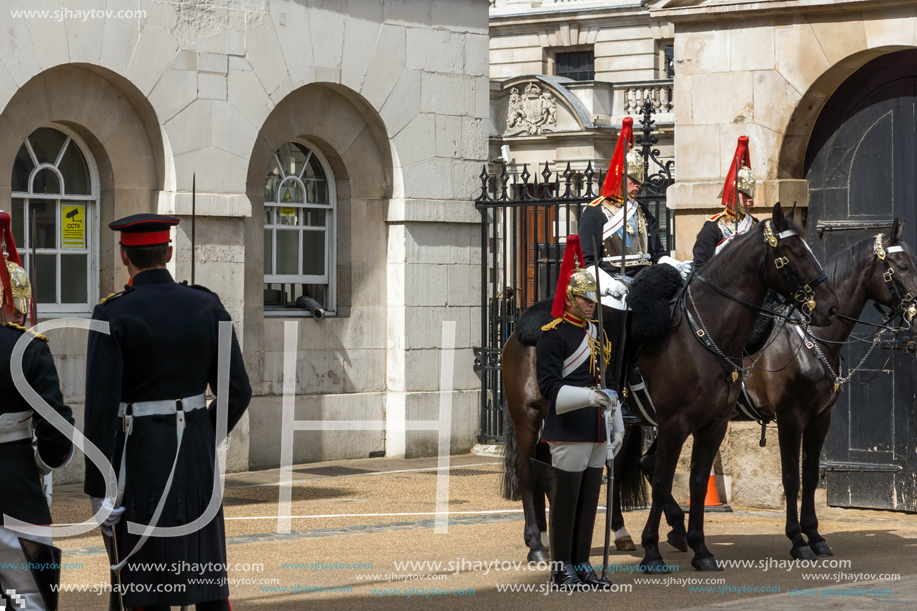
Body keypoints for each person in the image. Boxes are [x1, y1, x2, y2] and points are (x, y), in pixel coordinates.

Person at [82, 214, 252, 611]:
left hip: (138, 455)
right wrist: (199, 433)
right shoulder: (207, 304)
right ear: (170, 252)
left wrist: (98, 486)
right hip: (195, 454)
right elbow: (238, 391)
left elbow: (101, 410)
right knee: (206, 580)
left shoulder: (111, 314)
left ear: (125, 256)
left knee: (146, 586)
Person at [578, 117, 691, 421]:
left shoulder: (641, 213)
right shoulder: (595, 212)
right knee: (616, 313)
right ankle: (614, 389)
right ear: (619, 175)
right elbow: (587, 260)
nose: (638, 184)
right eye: (633, 178)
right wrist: (608, 283)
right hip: (610, 282)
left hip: (643, 279)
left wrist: (676, 264)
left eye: (640, 179)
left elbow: (657, 254)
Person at [532, 234, 625, 591]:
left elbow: (607, 381)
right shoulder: (553, 336)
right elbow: (550, 389)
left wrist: (615, 422)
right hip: (568, 427)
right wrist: (590, 398)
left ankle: (582, 563)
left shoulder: (597, 332)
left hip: (598, 429)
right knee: (566, 502)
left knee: (589, 502)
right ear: (570, 298)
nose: (591, 305)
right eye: (585, 299)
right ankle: (561, 568)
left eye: (593, 299)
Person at [0, 211, 73, 610]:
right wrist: (44, 462)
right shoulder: (27, 346)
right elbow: (56, 430)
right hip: (16, 491)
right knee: (27, 600)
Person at [693, 136, 759, 267]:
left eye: (751, 194)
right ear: (733, 193)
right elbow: (701, 265)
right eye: (745, 194)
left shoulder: (754, 224)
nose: (750, 199)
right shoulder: (713, 227)